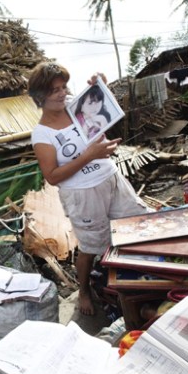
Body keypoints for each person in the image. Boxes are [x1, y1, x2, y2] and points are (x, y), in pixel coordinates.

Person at [27, 62, 148, 316]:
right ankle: (84, 291)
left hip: (111, 179)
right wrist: (88, 155)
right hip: (82, 194)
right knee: (92, 247)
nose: (62, 93)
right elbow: (51, 176)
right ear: (40, 97)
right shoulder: (42, 134)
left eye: (63, 87)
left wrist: (101, 85)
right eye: (54, 90)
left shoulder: (76, 109)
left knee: (137, 225)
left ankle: (136, 275)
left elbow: (107, 110)